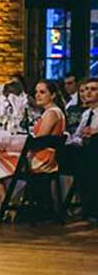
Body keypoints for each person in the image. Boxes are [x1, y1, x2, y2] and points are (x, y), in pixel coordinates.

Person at [0, 79, 68, 207]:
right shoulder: (52, 112)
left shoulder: (52, 113)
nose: (38, 95)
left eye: (42, 92)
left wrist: (12, 146)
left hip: (41, 160)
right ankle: (9, 201)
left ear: (52, 95)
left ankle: (6, 202)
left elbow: (38, 142)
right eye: (36, 92)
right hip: (41, 156)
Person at [61, 77, 98, 222]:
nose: (88, 93)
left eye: (93, 89)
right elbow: (78, 136)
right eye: (86, 89)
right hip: (83, 151)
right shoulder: (86, 114)